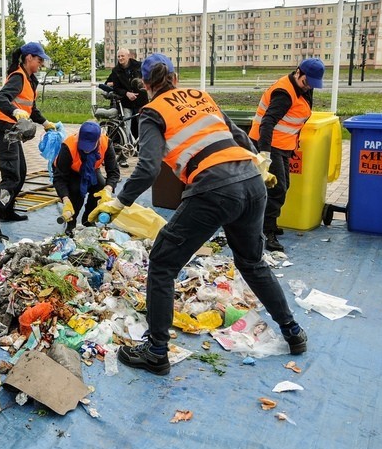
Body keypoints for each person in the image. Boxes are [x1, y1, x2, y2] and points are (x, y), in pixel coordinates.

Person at [89, 54, 306, 375]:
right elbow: (240, 136)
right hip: (250, 181)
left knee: (162, 263)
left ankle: (156, 351)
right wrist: (260, 168)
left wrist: (118, 204)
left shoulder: (151, 112)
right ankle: (293, 332)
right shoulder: (200, 96)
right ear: (175, 78)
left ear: (146, 85)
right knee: (252, 262)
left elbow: (147, 168)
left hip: (214, 187)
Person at [0, 42, 56, 241]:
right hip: (3, 129)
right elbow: (1, 98)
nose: (41, 64)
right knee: (11, 176)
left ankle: (7, 211)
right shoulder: (18, 77)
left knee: (20, 173)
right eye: (39, 60)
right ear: (29, 57)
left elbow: (30, 108)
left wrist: (45, 122)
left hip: (12, 130)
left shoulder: (31, 80)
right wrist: (14, 111)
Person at [249, 58, 325, 252]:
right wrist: (264, 154)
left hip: (283, 145)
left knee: (283, 185)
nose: (308, 88)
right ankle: (267, 232)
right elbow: (267, 123)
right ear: (298, 72)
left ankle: (268, 224)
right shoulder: (284, 93)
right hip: (267, 144)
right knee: (277, 188)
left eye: (312, 85)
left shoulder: (304, 87)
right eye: (306, 83)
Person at [53, 121, 121, 236]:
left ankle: (88, 220)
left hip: (91, 168)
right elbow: (59, 178)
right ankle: (71, 222)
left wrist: (108, 190)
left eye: (90, 146)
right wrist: (65, 199)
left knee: (100, 186)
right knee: (76, 190)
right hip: (71, 171)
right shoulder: (68, 146)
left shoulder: (105, 143)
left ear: (97, 140)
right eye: (83, 145)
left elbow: (113, 172)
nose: (86, 150)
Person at [105, 48, 147, 167]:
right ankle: (123, 157)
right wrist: (126, 93)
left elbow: (146, 79)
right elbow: (116, 88)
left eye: (122, 56)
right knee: (126, 130)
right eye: (118, 57)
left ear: (128, 56)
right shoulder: (116, 71)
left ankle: (143, 157)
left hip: (141, 101)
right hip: (126, 103)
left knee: (143, 129)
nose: (120, 58)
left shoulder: (139, 66)